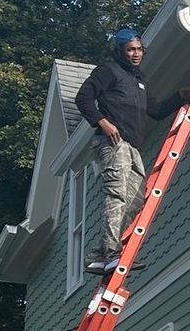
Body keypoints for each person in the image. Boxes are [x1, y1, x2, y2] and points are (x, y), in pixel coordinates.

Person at [73, 28, 181, 274]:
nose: (136, 54)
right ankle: (112, 253)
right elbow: (83, 98)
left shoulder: (138, 81)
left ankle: (99, 255)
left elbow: (156, 110)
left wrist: (182, 95)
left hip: (132, 146)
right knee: (117, 194)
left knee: (135, 200)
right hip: (112, 143)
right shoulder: (108, 71)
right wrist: (102, 122)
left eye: (139, 49)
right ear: (120, 51)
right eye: (131, 49)